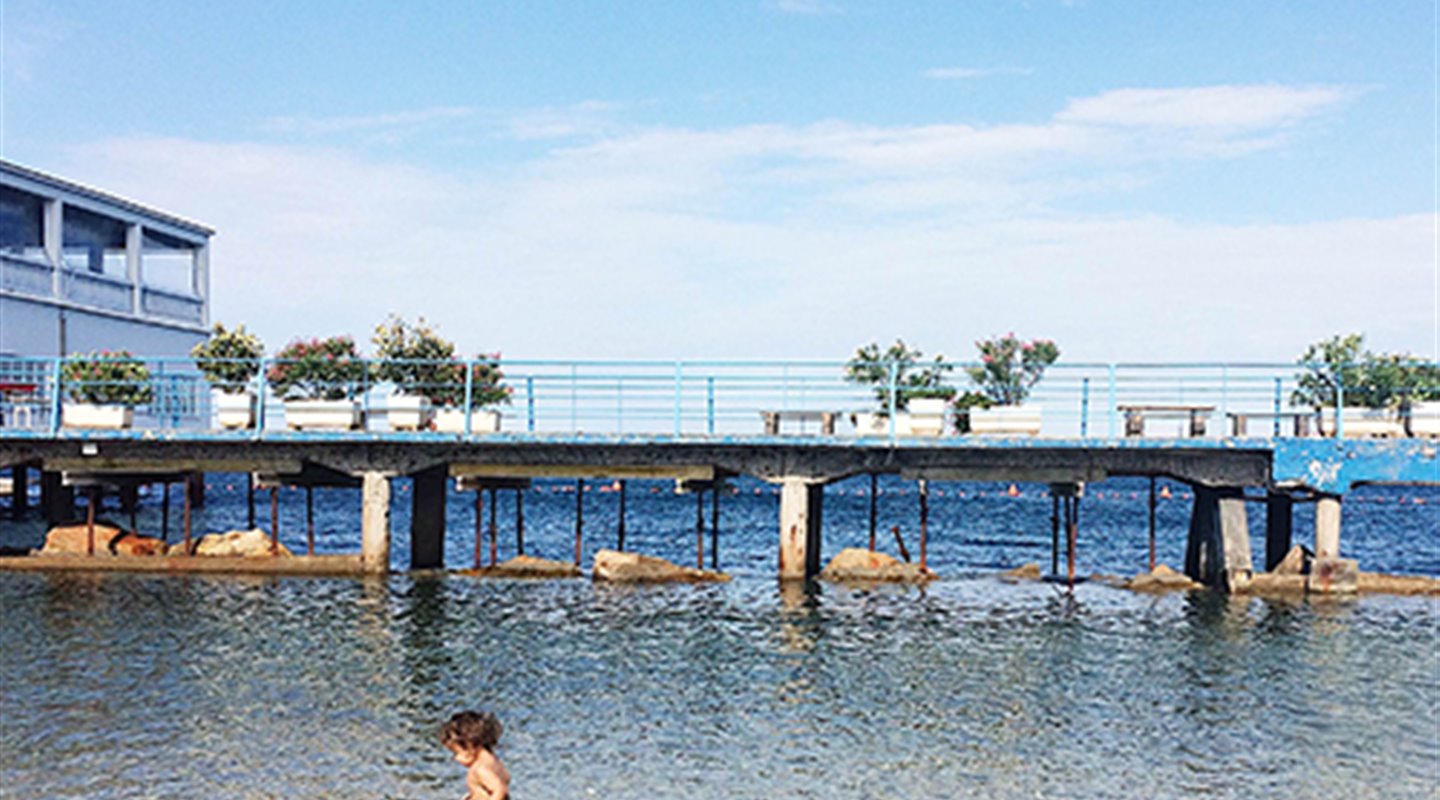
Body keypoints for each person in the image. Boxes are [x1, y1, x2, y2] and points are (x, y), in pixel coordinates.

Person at [440, 710, 511, 799]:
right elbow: (506, 777)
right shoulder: (494, 761)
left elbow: (500, 789)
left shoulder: (479, 769)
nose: (455, 758)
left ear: (471, 747)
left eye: (456, 752)